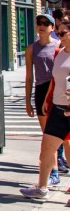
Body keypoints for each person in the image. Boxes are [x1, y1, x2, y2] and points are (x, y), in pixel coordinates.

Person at [20, 26, 70, 199]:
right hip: (58, 108)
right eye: (59, 33)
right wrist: (48, 99)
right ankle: (42, 187)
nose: (59, 36)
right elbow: (54, 80)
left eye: (63, 33)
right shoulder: (59, 53)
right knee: (46, 150)